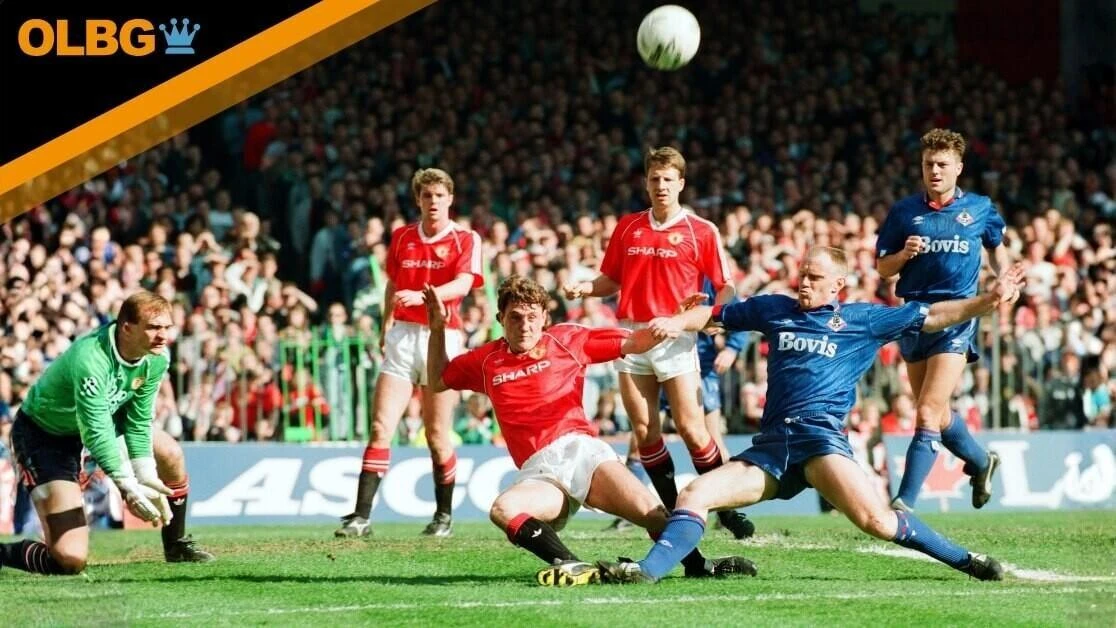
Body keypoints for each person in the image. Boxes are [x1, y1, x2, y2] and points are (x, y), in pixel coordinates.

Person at [596, 247, 1023, 584]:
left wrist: (987, 301)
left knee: (877, 520)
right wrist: (677, 321)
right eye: (803, 274)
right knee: (694, 496)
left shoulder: (863, 319)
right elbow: (714, 314)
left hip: (820, 445)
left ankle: (968, 561)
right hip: (772, 448)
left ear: (838, 284)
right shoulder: (775, 309)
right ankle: (644, 572)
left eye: (815, 278)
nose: (804, 283)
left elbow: (933, 316)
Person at [424, 276, 755, 586]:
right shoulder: (485, 360)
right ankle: (571, 565)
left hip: (582, 453)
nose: (524, 326)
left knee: (654, 515)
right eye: (514, 317)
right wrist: (438, 329)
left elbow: (635, 342)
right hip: (540, 473)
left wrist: (675, 322)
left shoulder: (568, 339)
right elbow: (439, 379)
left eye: (531, 316)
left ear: (544, 318)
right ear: (500, 318)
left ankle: (699, 566)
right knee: (502, 510)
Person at [561, 148, 751, 535]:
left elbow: (726, 287)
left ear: (681, 183)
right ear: (646, 183)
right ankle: (670, 513)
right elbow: (611, 279)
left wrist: (706, 315)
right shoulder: (629, 226)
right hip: (630, 334)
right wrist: (585, 287)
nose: (661, 185)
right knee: (645, 430)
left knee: (692, 428)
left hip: (675, 336)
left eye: (668, 179)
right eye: (654, 179)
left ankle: (725, 508)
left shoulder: (701, 230)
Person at [0, 291, 212, 575]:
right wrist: (128, 485)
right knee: (69, 559)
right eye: (153, 327)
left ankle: (176, 546)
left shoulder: (156, 358)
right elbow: (96, 430)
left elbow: (137, 420)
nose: (163, 336)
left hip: (101, 425)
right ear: (127, 327)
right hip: (46, 436)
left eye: (166, 327)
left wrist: (146, 475)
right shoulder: (91, 359)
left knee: (170, 453)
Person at [335, 168, 484, 539]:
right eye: (426, 196)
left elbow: (465, 283)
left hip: (442, 336)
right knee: (380, 427)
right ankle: (361, 517)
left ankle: (443, 516)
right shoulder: (402, 237)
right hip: (403, 337)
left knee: (436, 435)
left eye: (439, 195)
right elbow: (392, 283)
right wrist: (387, 323)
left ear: (450, 199)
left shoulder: (466, 239)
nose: (433, 202)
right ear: (418, 200)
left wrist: (424, 296)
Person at [876, 128, 1010, 512]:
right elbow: (883, 268)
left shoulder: (981, 208)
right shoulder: (904, 212)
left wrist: (1002, 278)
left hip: (956, 317)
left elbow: (997, 246)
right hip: (913, 317)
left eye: (942, 164)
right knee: (934, 410)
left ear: (959, 168)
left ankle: (904, 502)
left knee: (927, 410)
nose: (934, 170)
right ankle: (983, 462)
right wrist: (903, 255)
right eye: (928, 164)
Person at [606, 277, 755, 538]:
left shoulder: (703, 277)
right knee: (640, 437)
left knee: (706, 436)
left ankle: (724, 510)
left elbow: (735, 309)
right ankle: (636, 513)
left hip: (697, 367)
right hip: (648, 360)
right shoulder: (647, 271)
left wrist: (731, 348)